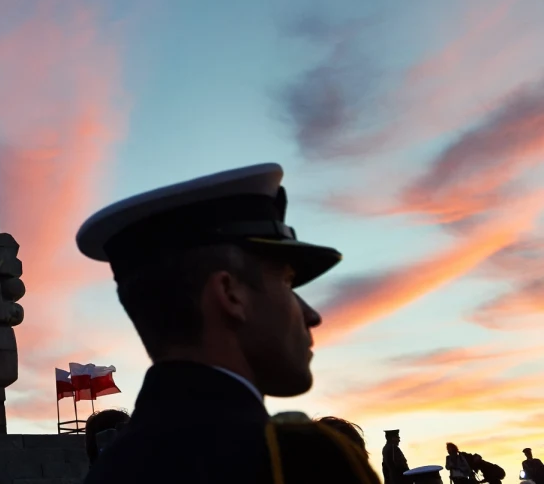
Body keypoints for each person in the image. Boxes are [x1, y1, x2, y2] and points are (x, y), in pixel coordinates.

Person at [76, 163, 379, 484]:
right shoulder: (301, 462)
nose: (312, 315)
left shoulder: (113, 470)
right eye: (288, 282)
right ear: (230, 294)